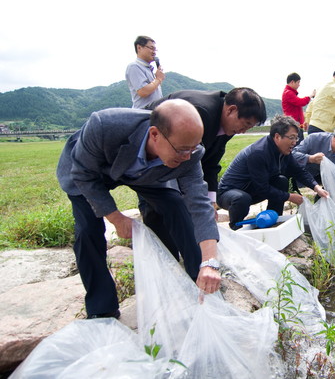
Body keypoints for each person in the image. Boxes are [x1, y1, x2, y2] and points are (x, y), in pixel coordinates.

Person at [56, 99, 220, 319]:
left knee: (175, 205)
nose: (188, 157)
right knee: (87, 231)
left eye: (193, 148)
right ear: (155, 135)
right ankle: (102, 309)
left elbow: (199, 205)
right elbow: (83, 175)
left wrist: (210, 262)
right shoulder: (105, 126)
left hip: (147, 172)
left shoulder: (189, 153)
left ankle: (199, 279)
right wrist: (115, 217)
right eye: (182, 150)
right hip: (89, 171)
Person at [145, 88, 267, 205]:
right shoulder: (200, 114)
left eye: (249, 128)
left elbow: (211, 162)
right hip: (146, 147)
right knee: (165, 203)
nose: (243, 131)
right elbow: (185, 163)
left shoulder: (228, 125)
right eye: (245, 124)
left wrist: (211, 200)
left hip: (170, 156)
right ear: (231, 110)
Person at [217, 115, 329, 230]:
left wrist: (316, 187)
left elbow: (298, 171)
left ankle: (273, 219)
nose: (295, 142)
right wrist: (289, 197)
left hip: (252, 189)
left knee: (281, 181)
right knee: (241, 198)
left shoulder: (283, 151)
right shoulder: (259, 153)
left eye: (296, 138)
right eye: (291, 137)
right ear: (277, 137)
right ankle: (236, 227)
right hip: (229, 194)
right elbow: (262, 188)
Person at [126, 36, 165, 109]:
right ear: (139, 48)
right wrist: (158, 79)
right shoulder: (134, 67)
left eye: (155, 49)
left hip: (154, 112)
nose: (154, 52)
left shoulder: (149, 69)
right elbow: (143, 91)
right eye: (151, 48)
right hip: (143, 113)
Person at [281, 72, 315, 142]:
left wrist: (303, 124)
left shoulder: (289, 93)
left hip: (295, 125)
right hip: (293, 125)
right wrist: (310, 96)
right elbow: (301, 102)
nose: (299, 85)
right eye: (298, 82)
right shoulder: (288, 93)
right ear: (292, 82)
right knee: (297, 146)